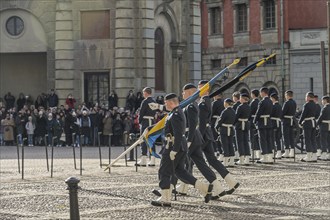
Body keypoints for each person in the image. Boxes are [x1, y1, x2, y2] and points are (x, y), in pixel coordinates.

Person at [151, 93, 213, 207]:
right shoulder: (176, 111)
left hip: (173, 146)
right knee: (181, 172)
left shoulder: (175, 115)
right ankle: (205, 188)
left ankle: (165, 198)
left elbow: (178, 133)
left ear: (170, 102)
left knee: (164, 171)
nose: (165, 105)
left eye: (166, 103)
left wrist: (174, 150)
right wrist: (158, 106)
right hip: (179, 145)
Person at [172, 84, 225, 199]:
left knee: (176, 163)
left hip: (191, 137)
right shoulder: (191, 104)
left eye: (184, 92)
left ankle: (169, 186)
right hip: (195, 138)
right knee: (201, 164)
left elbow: (191, 125)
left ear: (190, 92)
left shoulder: (190, 105)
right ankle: (218, 188)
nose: (182, 94)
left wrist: (189, 140)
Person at [198, 80, 239, 194]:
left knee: (191, 160)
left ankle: (181, 187)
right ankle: (231, 181)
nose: (198, 90)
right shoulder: (208, 101)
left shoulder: (204, 102)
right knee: (212, 160)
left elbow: (202, 122)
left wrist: (198, 137)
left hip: (203, 134)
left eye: (200, 88)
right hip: (208, 133)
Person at [137, 87, 157, 166]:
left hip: (145, 121)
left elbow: (141, 113)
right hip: (152, 121)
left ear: (145, 93)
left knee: (143, 140)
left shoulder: (145, 101)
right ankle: (152, 160)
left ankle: (143, 159)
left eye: (143, 93)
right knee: (151, 140)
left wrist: (139, 121)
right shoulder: (154, 101)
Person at [254, 87, 273, 164]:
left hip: (262, 122)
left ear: (263, 93)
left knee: (263, 140)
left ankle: (265, 157)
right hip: (268, 122)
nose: (260, 94)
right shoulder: (270, 101)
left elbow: (258, 113)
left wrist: (255, 121)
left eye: (260, 92)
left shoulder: (262, 102)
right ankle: (270, 157)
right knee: (268, 139)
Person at [216, 98, 236, 167]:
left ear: (226, 103)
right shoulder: (233, 111)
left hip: (224, 129)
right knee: (230, 144)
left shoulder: (225, 111)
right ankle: (231, 161)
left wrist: (216, 127)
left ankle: (225, 162)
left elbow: (220, 120)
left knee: (224, 145)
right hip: (231, 129)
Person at [299, 92, 318, 162]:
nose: (305, 98)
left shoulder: (306, 105)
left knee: (307, 139)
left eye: (306, 97)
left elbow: (303, 115)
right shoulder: (315, 105)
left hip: (307, 123)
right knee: (313, 139)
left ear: (308, 97)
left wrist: (299, 122)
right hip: (313, 122)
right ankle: (314, 155)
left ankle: (309, 156)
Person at [234, 93, 251, 165]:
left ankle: (241, 158)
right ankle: (247, 158)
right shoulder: (249, 106)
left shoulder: (240, 107)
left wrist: (233, 123)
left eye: (240, 98)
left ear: (243, 98)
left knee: (239, 142)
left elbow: (236, 117)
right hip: (246, 124)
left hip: (240, 125)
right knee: (246, 141)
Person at [281, 90, 297, 158]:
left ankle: (287, 151)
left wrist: (281, 117)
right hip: (291, 120)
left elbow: (283, 112)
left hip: (286, 121)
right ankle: (292, 151)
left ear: (287, 95)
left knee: (286, 136)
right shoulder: (294, 102)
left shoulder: (286, 103)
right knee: (291, 136)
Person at [211, 93, 225, 159]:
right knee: (219, 137)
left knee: (214, 137)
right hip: (221, 121)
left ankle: (216, 151)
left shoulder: (215, 103)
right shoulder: (223, 102)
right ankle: (221, 152)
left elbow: (211, 112)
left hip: (214, 120)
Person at [317, 96, 330, 161]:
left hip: (324, 125)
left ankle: (324, 155)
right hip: (329, 125)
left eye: (322, 100)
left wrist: (316, 124)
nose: (322, 102)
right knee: (328, 140)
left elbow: (320, 117)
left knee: (323, 140)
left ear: (325, 100)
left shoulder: (324, 108)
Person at [270, 93, 283, 159]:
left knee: (272, 138)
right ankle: (279, 152)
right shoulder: (280, 106)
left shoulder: (273, 106)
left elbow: (270, 114)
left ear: (273, 98)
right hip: (278, 123)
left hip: (273, 123)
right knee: (278, 139)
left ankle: (272, 152)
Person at [249, 89, 261, 160]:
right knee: (257, 138)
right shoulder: (259, 102)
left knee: (252, 138)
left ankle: (253, 154)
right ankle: (258, 154)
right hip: (258, 121)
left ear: (253, 94)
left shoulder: (253, 102)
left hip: (252, 121)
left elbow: (250, 112)